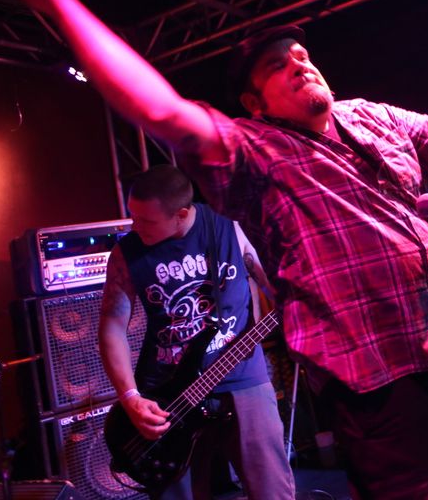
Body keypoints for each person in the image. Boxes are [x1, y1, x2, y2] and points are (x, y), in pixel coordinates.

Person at [0, 0, 428, 499]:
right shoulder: (257, 150)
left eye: (302, 56)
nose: (298, 64)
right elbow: (161, 110)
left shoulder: (372, 116)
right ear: (255, 103)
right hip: (373, 388)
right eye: (276, 66)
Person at [99, 165, 294, 500]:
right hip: (167, 394)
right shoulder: (126, 253)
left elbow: (280, 291)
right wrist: (130, 397)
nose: (135, 227)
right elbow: (112, 327)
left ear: (181, 214)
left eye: (146, 220)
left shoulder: (230, 227)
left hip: (241, 376)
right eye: (133, 216)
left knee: (271, 490)